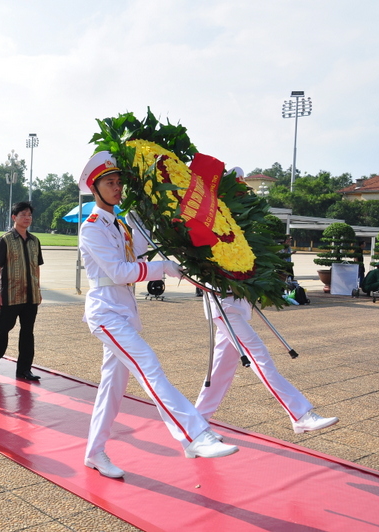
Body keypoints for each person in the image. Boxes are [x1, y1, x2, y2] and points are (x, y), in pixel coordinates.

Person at [78, 151, 238, 479]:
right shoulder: (91, 228)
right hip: (106, 314)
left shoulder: (121, 224)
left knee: (111, 387)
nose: (117, 187)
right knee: (148, 364)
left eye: (119, 182)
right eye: (110, 182)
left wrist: (154, 214)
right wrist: (164, 268)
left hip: (124, 313)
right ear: (95, 188)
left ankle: (94, 453)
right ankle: (193, 435)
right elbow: (121, 271)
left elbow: (144, 250)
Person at [195, 295, 339, 434]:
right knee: (259, 356)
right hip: (224, 306)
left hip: (233, 304)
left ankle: (197, 422)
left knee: (221, 367)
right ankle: (300, 414)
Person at [0, 203, 43, 380]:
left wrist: (38, 289)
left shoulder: (35, 241)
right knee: (2, 331)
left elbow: (36, 267)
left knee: (28, 332)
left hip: (31, 295)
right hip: (10, 295)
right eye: (23, 214)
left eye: (29, 215)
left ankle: (24, 369)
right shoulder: (5, 240)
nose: (27, 218)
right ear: (14, 217)